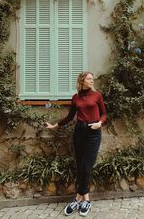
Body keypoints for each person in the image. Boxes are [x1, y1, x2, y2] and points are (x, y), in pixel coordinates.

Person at [45, 71, 107, 216]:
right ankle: (86, 200)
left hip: (93, 132)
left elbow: (104, 114)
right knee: (80, 166)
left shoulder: (97, 95)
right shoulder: (75, 97)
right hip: (79, 132)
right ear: (82, 81)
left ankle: (78, 198)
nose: (92, 80)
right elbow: (70, 116)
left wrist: (99, 123)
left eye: (92, 78)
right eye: (89, 79)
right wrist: (55, 125)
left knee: (86, 167)